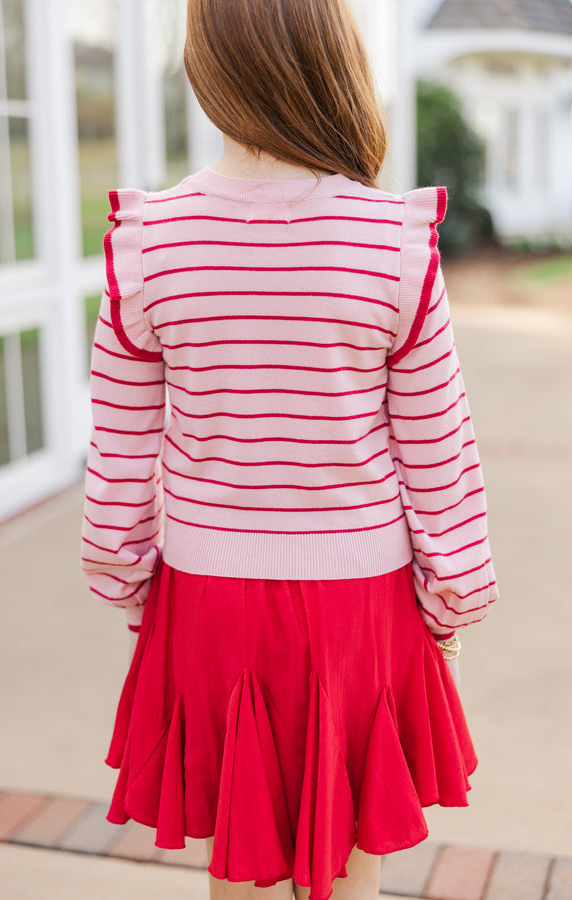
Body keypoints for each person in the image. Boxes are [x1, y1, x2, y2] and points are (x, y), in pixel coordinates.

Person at [81, 1, 498, 898]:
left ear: (209, 70)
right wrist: (452, 594)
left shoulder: (147, 242)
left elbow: (116, 456)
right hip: (364, 601)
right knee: (356, 866)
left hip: (207, 603)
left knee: (238, 863)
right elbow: (438, 450)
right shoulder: (395, 243)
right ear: (332, 62)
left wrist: (124, 586)